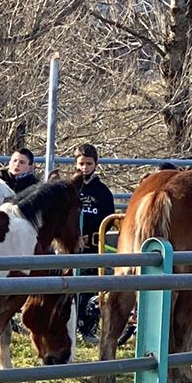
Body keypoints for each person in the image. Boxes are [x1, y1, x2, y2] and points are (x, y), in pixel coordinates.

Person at [72, 144, 117, 342]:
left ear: (95, 164)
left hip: (91, 245)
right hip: (71, 245)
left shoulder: (102, 192)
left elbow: (108, 219)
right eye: (81, 163)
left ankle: (87, 327)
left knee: (90, 286)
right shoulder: (70, 188)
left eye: (88, 163)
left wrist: (90, 238)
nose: (84, 167)